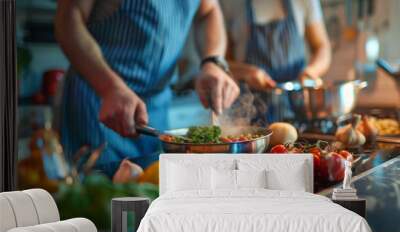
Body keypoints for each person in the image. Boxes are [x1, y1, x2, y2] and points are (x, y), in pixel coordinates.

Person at [55, 0, 239, 175]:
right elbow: (68, 19)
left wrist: (213, 61)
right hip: (98, 102)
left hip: (157, 107)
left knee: (150, 190)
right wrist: (109, 87)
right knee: (99, 196)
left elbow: (209, 10)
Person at [220, 0, 331, 122]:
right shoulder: (229, 3)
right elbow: (221, 63)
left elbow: (322, 47)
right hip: (249, 113)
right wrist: (245, 72)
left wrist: (310, 73)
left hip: (299, 108)